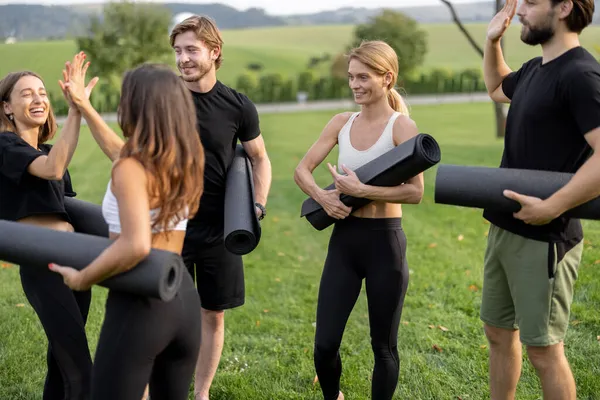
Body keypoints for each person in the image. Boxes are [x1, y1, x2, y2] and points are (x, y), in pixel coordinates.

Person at [48, 56, 205, 400]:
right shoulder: (185, 158)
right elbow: (123, 155)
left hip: (140, 306)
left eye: (125, 97)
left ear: (138, 107)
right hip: (183, 298)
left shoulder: (132, 169)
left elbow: (136, 246)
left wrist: (82, 278)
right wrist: (84, 107)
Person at [481, 1, 600, 399]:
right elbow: (498, 88)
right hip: (505, 227)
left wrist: (553, 206)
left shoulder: (582, 75)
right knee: (498, 333)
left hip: (546, 236)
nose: (522, 10)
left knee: (544, 350)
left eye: (532, 2)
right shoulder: (535, 69)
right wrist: (492, 42)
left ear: (563, 7)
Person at [294, 40, 424, 400]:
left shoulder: (402, 127)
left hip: (386, 243)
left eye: (363, 77)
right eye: (351, 77)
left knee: (383, 347)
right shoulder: (340, 122)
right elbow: (302, 170)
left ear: (387, 78)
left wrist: (362, 190)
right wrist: (322, 197)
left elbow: (415, 192)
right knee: (324, 344)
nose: (355, 85)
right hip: (345, 241)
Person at [168, 15, 272, 400]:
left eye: (191, 50)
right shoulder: (165, 97)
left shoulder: (238, 106)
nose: (183, 59)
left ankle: (201, 394)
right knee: (161, 316)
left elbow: (259, 157)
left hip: (219, 231)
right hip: (170, 227)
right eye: (178, 51)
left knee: (213, 315)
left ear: (214, 52)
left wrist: (255, 205)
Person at [0, 53, 97, 399]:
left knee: (63, 363)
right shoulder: (5, 146)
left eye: (42, 92)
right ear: (7, 108)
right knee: (81, 372)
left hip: (75, 263)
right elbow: (52, 170)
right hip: (45, 266)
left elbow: (64, 205)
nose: (38, 99)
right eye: (26, 94)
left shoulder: (49, 149)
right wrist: (76, 108)